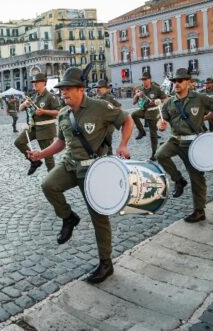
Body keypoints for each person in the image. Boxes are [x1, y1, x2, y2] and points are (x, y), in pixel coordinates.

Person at [28, 67, 134, 284]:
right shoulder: (64, 113)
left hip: (93, 170)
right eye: (62, 90)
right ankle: (68, 217)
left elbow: (127, 120)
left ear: (80, 89)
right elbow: (60, 142)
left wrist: (123, 144)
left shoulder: (100, 107)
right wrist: (40, 155)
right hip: (70, 165)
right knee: (48, 185)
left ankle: (106, 263)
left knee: (99, 218)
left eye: (67, 89)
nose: (63, 93)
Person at [156, 68, 213, 223]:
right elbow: (162, 119)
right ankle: (178, 180)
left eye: (180, 81)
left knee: (196, 177)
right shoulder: (169, 102)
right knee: (160, 154)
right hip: (175, 140)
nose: (176, 84)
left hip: (193, 143)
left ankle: (199, 210)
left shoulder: (199, 98)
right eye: (174, 81)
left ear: (188, 82)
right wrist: (160, 124)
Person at [15, 73, 61, 175]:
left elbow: (58, 112)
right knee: (19, 142)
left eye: (37, 82)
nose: (35, 84)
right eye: (34, 82)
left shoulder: (50, 96)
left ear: (43, 83)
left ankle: (52, 179)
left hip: (46, 129)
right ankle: (34, 161)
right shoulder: (34, 97)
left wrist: (44, 112)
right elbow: (20, 108)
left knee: (48, 157)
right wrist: (24, 104)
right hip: (34, 128)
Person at [131, 72, 168, 160]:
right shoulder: (140, 89)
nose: (144, 81)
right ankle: (142, 131)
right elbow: (133, 102)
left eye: (145, 79)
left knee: (153, 134)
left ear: (150, 79)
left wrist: (159, 100)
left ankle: (154, 153)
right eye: (143, 79)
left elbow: (166, 98)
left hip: (153, 113)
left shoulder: (156, 88)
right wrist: (137, 95)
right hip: (144, 111)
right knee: (134, 115)